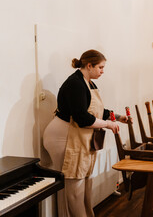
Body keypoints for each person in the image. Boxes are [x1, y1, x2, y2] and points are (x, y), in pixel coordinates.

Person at [43, 49, 128, 217]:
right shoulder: (75, 83)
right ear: (89, 66)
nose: (103, 71)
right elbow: (83, 118)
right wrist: (108, 124)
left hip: (76, 137)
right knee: (73, 187)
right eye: (101, 67)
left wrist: (117, 117)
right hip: (62, 138)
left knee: (83, 184)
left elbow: (96, 110)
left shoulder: (89, 82)